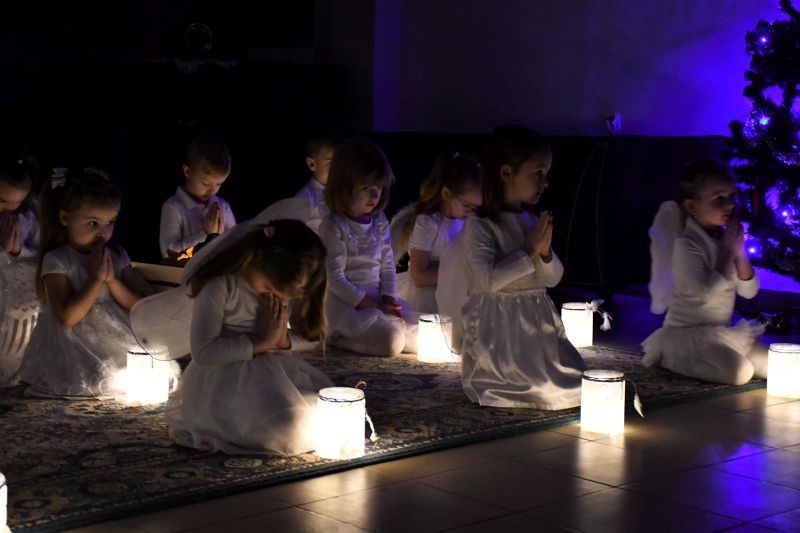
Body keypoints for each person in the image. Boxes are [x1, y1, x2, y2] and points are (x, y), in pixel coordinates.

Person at [166, 219, 333, 455]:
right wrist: (261, 343)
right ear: (259, 258)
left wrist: (283, 341)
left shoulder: (285, 280)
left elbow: (311, 337)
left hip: (272, 371)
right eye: (270, 288)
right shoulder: (221, 284)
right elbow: (203, 352)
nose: (274, 297)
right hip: (222, 381)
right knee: (290, 428)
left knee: (323, 414)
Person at [460, 125, 585, 409]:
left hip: (536, 323)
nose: (545, 182)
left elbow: (552, 280)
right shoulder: (481, 223)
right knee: (542, 388)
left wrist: (545, 253)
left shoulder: (530, 221)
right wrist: (528, 250)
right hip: (503, 330)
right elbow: (486, 280)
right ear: (507, 173)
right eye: (537, 173)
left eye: (546, 173)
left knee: (576, 380)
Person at [19, 168, 164, 398]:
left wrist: (112, 280)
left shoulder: (117, 255)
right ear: (65, 218)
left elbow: (136, 304)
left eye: (110, 222)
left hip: (115, 334)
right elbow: (68, 317)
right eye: (93, 223)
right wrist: (96, 280)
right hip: (74, 343)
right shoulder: (58, 259)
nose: (103, 233)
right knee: (94, 379)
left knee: (142, 370)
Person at [642, 160, 767, 385]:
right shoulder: (686, 244)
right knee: (740, 373)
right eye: (719, 199)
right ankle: (671, 358)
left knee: (772, 365)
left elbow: (749, 291)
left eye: (732, 196)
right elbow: (706, 296)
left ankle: (720, 356)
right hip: (688, 334)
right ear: (692, 207)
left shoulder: (724, 240)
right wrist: (728, 252)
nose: (730, 204)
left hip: (722, 332)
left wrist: (739, 252)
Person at [318, 137, 418, 357]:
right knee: (393, 342)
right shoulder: (333, 226)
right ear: (345, 187)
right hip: (349, 305)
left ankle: (386, 329)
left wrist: (389, 300)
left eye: (378, 188)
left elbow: (387, 266)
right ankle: (340, 338)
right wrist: (373, 306)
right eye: (366, 188)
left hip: (377, 299)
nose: (375, 195)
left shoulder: (379, 221)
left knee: (421, 333)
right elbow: (336, 279)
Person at [391, 150, 482, 313]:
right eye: (467, 205)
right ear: (446, 193)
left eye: (476, 206)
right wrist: (459, 272)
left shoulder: (467, 221)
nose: (472, 211)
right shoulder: (428, 222)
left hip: (455, 293)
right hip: (427, 298)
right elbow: (418, 277)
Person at [159, 133, 236, 260]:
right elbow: (168, 253)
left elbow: (236, 245)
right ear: (187, 171)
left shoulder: (223, 207)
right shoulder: (173, 208)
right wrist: (205, 234)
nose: (213, 190)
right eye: (205, 183)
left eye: (218, 184)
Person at [0, 158, 39, 260]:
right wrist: (3, 249)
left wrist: (18, 250)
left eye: (18, 202)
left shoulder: (27, 218)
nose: (10, 208)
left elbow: (40, 253)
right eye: (2, 201)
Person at [295, 133, 339, 209]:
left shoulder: (345, 190)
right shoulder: (304, 197)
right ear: (312, 164)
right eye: (331, 164)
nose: (339, 168)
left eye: (341, 163)